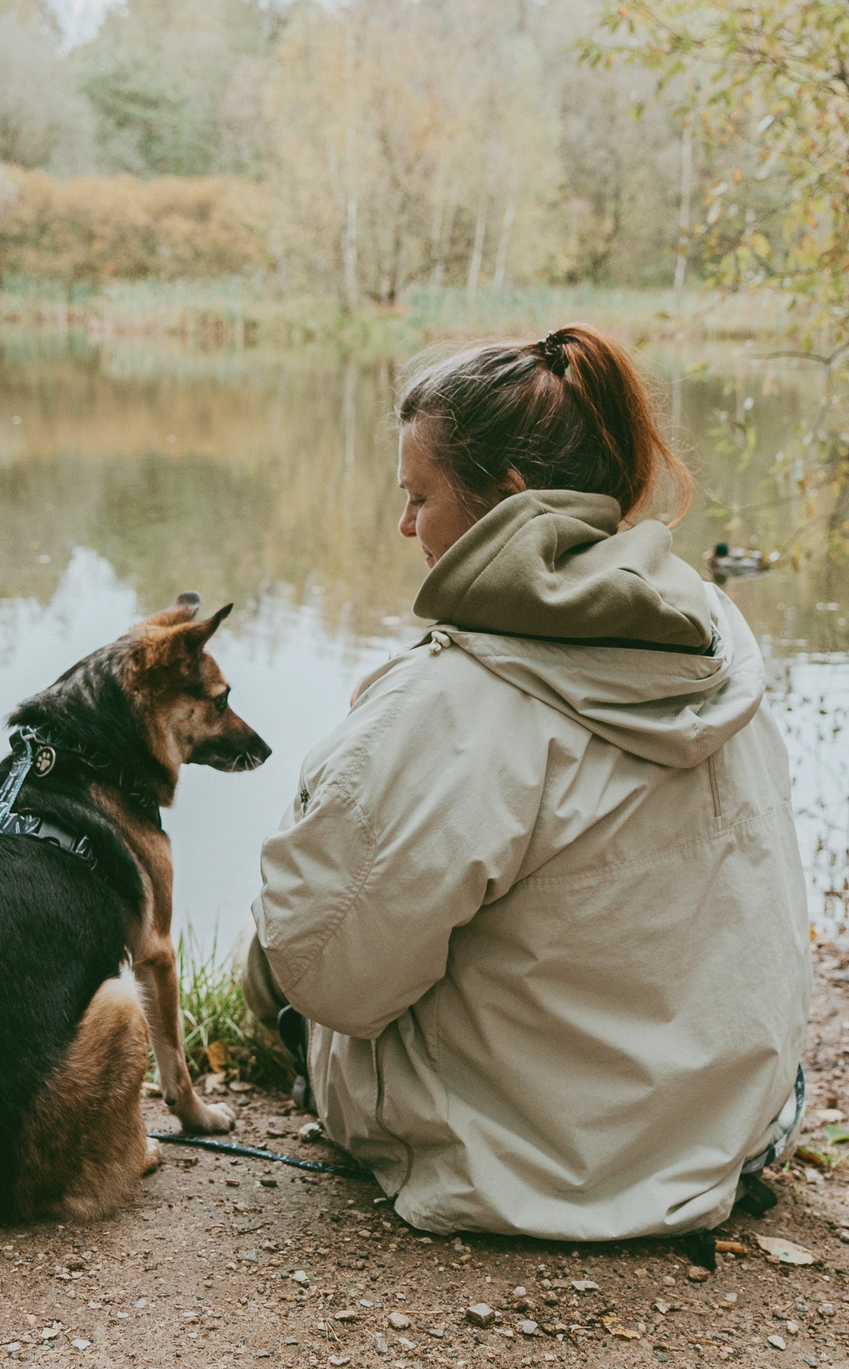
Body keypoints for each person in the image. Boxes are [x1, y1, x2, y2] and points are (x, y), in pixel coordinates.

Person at [239, 324, 810, 1240]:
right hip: (727, 1124)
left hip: (535, 1163)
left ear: (506, 498)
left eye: (418, 497)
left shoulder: (455, 702)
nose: (403, 526)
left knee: (290, 960)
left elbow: (323, 975)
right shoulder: (710, 641)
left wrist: (349, 763)